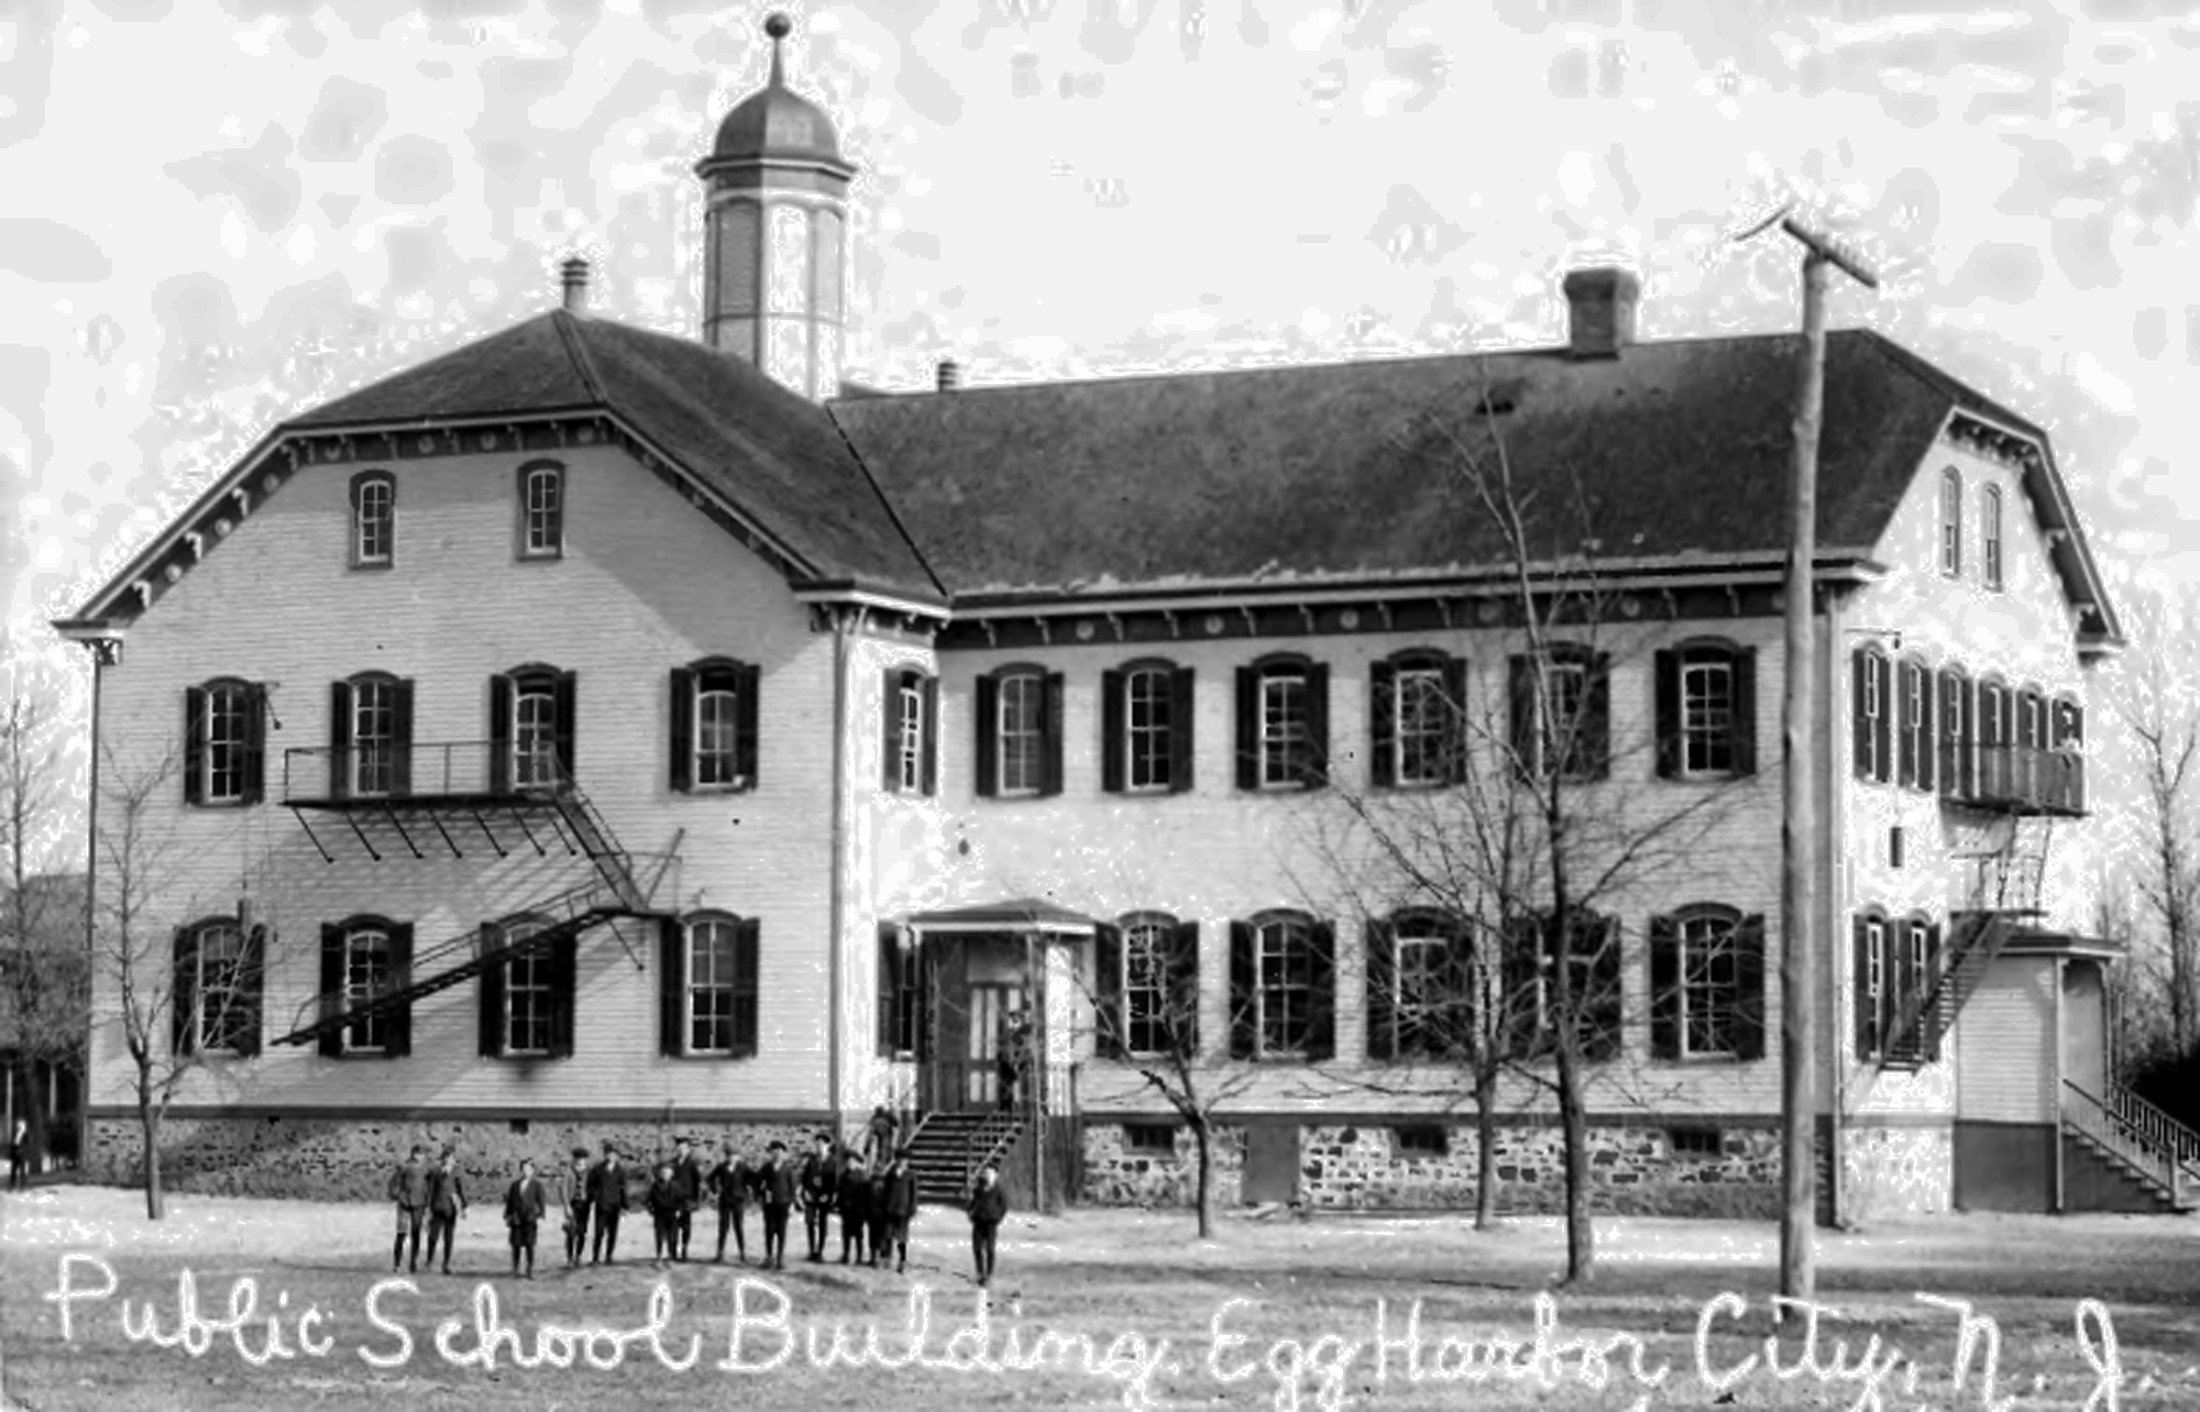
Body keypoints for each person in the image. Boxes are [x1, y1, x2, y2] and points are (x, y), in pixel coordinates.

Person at [387, 1144, 431, 1273]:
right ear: (413, 1154)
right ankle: (397, 1263)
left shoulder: (427, 1169)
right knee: (401, 1233)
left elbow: (430, 1185)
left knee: (416, 1233)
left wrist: (428, 1203)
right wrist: (395, 1195)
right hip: (404, 1203)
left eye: (422, 1154)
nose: (420, 1157)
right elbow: (394, 1182)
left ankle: (413, 1263)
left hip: (419, 1203)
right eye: (418, 1154)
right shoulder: (404, 1167)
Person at [503, 1156, 547, 1279]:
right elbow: (510, 1202)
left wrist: (541, 1216)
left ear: (532, 1171)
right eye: (523, 1169)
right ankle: (515, 1269)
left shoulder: (537, 1185)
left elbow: (541, 1201)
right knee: (516, 1245)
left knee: (530, 1245)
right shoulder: (515, 1185)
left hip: (530, 1218)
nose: (525, 1171)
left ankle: (529, 1269)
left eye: (528, 1169)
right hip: (517, 1218)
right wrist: (507, 1216)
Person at [755, 1139, 796, 1271]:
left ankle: (780, 1258)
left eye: (780, 1151)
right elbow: (757, 1181)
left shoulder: (787, 1169)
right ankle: (769, 1257)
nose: (777, 1153)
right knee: (769, 1230)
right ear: (771, 1153)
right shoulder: (767, 1167)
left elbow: (792, 1188)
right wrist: (761, 1195)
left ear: (783, 1153)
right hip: (769, 1205)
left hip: (783, 1204)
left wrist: (792, 1204)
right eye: (774, 1151)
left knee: (782, 1231)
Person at [425, 1149, 468, 1275]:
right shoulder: (436, 1172)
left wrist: (464, 1207)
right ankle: (429, 1261)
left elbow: (460, 1191)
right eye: (447, 1158)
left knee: (448, 1238)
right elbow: (431, 1189)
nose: (449, 1161)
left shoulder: (456, 1174)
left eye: (452, 1158)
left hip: (450, 1209)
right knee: (433, 1236)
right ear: (443, 1159)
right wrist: (428, 1207)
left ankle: (446, 1264)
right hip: (437, 1207)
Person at [708, 1141, 752, 1263]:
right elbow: (710, 1178)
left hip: (738, 1200)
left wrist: (747, 1189)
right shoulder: (721, 1167)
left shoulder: (743, 1167)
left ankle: (742, 1252)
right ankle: (720, 1253)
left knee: (738, 1227)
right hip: (725, 1199)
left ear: (738, 1156)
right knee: (723, 1227)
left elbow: (752, 1178)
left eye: (734, 1155)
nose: (731, 1158)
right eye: (729, 1155)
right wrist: (715, 1190)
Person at [967, 1163, 1007, 1289]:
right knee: (977, 1248)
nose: (988, 1175)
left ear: (995, 1175)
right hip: (978, 1222)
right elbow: (972, 1203)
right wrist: (971, 1214)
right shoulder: (978, 1188)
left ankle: (989, 1275)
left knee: (990, 1249)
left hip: (991, 1223)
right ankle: (980, 1273)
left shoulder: (998, 1190)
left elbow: (1004, 1206)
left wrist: (998, 1218)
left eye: (991, 1173)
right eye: (986, 1173)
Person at [873, 1149, 914, 1271]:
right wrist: (883, 1206)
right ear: (896, 1161)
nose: (902, 1162)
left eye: (904, 1160)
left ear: (908, 1162)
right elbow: (886, 1191)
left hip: (903, 1211)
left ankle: (902, 1260)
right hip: (890, 1209)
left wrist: (911, 1209)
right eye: (899, 1160)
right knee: (887, 1235)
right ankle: (885, 1258)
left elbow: (913, 1194)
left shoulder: (910, 1175)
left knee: (901, 1238)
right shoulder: (890, 1174)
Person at [798, 1133, 837, 1262]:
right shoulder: (812, 1160)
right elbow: (805, 1177)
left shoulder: (832, 1162)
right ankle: (811, 1250)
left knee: (822, 1223)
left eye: (821, 1144)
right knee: (810, 1222)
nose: (819, 1147)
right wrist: (805, 1191)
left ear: (827, 1146)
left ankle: (820, 1251)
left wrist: (829, 1195)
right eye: (817, 1144)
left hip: (824, 1196)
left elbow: (835, 1181)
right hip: (811, 1195)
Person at [587, 1141, 628, 1264]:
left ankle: (609, 1256)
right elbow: (591, 1185)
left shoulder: (620, 1171)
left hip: (615, 1205)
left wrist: (624, 1206)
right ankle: (595, 1257)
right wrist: (595, 1197)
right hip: (602, 1204)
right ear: (605, 1155)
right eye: (609, 1154)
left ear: (617, 1156)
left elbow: (623, 1189)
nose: (612, 1157)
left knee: (612, 1233)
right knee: (599, 1232)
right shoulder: (597, 1169)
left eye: (614, 1155)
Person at [554, 1146, 592, 1269]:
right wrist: (566, 1206)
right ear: (574, 1159)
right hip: (572, 1204)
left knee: (582, 1232)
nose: (581, 1162)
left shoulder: (589, 1172)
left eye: (583, 1160)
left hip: (585, 1204)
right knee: (571, 1232)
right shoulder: (568, 1172)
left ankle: (578, 1256)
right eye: (578, 1159)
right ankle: (570, 1258)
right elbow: (563, 1189)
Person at [671, 1136, 705, 1262]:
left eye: (684, 1148)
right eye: (679, 1147)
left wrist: (696, 1199)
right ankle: (673, 1251)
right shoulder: (673, 1163)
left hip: (687, 1198)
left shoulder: (692, 1164)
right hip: (673, 1199)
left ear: (688, 1149)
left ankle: (684, 1249)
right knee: (673, 1226)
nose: (681, 1150)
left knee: (685, 1226)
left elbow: (697, 1181)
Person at [836, 1152, 872, 1265]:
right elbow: (839, 1192)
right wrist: (840, 1205)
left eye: (852, 1161)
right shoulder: (843, 1175)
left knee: (858, 1234)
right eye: (848, 1161)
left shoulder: (862, 1176)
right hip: (846, 1209)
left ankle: (859, 1256)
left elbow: (866, 1194)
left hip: (858, 1209)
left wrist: (865, 1209)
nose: (849, 1163)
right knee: (845, 1233)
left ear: (856, 1163)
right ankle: (846, 1254)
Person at [646, 1161, 683, 1267]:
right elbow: (648, 1200)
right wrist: (651, 1211)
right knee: (659, 1236)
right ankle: (659, 1257)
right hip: (659, 1214)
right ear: (660, 1174)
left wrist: (679, 1210)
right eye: (663, 1172)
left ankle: (671, 1257)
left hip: (673, 1214)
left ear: (671, 1174)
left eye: (667, 1173)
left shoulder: (676, 1186)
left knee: (673, 1236)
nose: (665, 1175)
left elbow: (682, 1200)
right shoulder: (655, 1186)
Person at [8, 1117, 27, 1192]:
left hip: (21, 1154)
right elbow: (13, 1143)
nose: (18, 1125)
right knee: (13, 1170)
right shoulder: (15, 1132)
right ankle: (12, 1185)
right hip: (15, 1153)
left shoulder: (24, 1133)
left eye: (20, 1124)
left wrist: (23, 1131)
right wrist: (11, 1153)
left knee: (22, 1170)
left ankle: (22, 1186)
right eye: (18, 1124)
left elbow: (26, 1143)